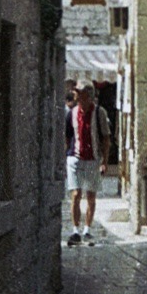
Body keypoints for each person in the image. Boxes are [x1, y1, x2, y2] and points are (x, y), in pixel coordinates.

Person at [65, 83, 110, 245]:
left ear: (88, 96)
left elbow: (106, 138)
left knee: (91, 196)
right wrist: (66, 156)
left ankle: (87, 230)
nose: (76, 97)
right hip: (75, 158)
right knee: (76, 194)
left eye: (79, 94)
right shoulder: (71, 113)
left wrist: (104, 161)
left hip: (93, 159)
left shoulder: (99, 113)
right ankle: (75, 231)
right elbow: (67, 137)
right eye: (76, 94)